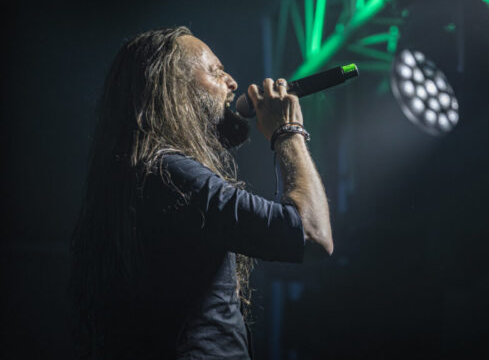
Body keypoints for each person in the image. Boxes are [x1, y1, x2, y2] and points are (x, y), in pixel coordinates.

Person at [69, 26, 333, 359]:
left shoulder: (142, 175)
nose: (233, 82)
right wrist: (288, 130)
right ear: (174, 91)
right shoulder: (172, 175)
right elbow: (311, 235)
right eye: (215, 71)